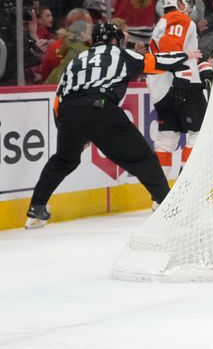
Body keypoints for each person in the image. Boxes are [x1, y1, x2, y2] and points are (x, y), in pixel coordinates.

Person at [25, 22, 200, 229]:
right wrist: (186, 56)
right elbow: (156, 62)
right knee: (142, 158)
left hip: (68, 113)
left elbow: (58, 99)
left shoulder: (76, 61)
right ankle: (167, 205)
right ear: (116, 40)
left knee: (64, 160)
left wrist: (73, 131)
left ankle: (36, 208)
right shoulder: (120, 53)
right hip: (100, 108)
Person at [148, 0, 213, 179]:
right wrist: (185, 60)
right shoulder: (179, 19)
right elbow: (170, 50)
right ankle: (184, 189)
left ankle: (159, 197)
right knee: (198, 134)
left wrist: (201, 66)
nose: (189, 7)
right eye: (186, 2)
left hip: (160, 89)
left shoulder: (160, 23)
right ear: (178, 2)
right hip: (182, 86)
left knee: (166, 139)